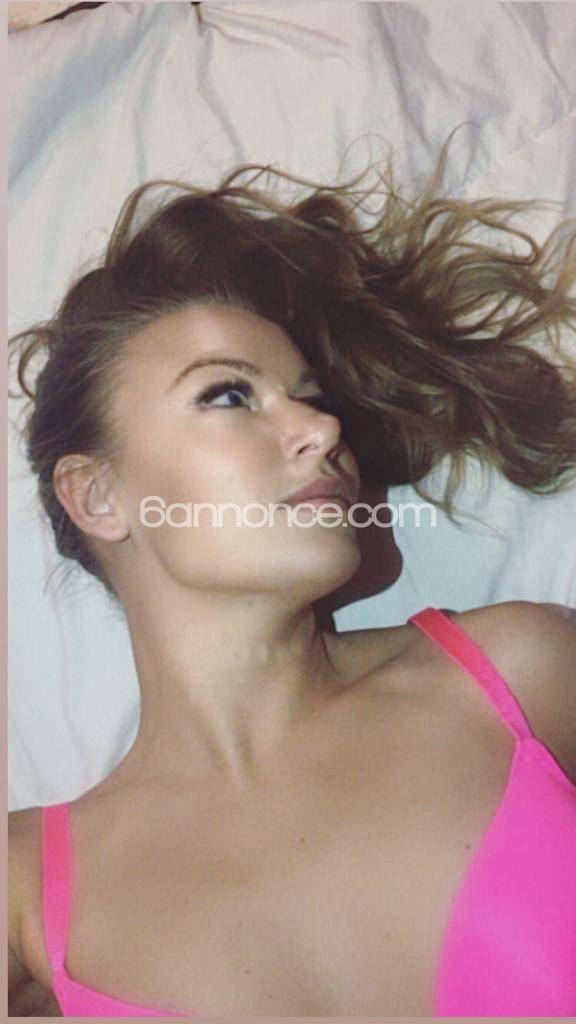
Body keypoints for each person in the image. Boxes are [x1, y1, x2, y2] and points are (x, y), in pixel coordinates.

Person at [8, 156, 576, 1017]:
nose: (319, 427)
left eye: (311, 398)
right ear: (98, 495)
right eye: (228, 395)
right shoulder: (23, 886)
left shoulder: (522, 676)